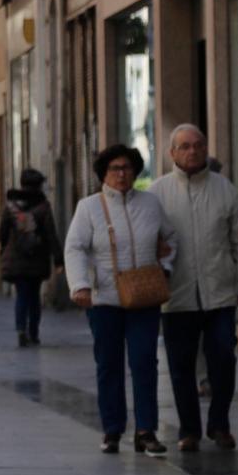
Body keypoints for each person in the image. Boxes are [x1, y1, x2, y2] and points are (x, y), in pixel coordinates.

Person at [64, 144, 177, 456]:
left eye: (127, 168)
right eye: (115, 168)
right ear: (104, 173)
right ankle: (112, 429)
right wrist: (81, 285)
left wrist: (165, 267)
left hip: (144, 296)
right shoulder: (89, 208)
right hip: (104, 299)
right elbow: (74, 248)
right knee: (109, 364)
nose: (122, 174)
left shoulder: (150, 204)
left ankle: (146, 431)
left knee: (144, 362)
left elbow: (170, 238)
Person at [149, 124, 238, 452]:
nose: (192, 151)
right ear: (172, 153)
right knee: (180, 366)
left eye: (198, 145)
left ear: (205, 149)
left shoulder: (225, 189)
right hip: (176, 296)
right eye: (185, 146)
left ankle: (219, 424)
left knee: (223, 356)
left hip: (220, 292)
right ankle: (189, 430)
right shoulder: (157, 194)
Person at [0, 168, 64, 346]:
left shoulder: (11, 205)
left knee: (21, 295)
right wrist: (58, 259)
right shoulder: (43, 206)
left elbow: (2, 231)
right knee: (34, 296)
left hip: (15, 257)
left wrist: (4, 248)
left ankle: (21, 329)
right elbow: (51, 234)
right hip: (37, 257)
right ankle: (33, 332)